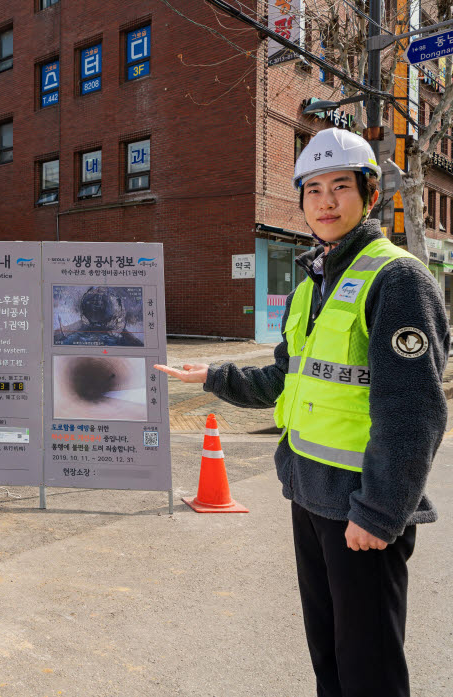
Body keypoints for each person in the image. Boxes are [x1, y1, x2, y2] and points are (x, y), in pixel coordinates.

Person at [156, 127, 448, 697]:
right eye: (313, 190)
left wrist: (381, 512)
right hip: (310, 497)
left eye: (341, 186)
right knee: (330, 660)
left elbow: (414, 411)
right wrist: (212, 376)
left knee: (370, 670)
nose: (326, 202)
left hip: (362, 511)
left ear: (368, 193)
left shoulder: (397, 279)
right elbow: (283, 379)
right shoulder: (311, 283)